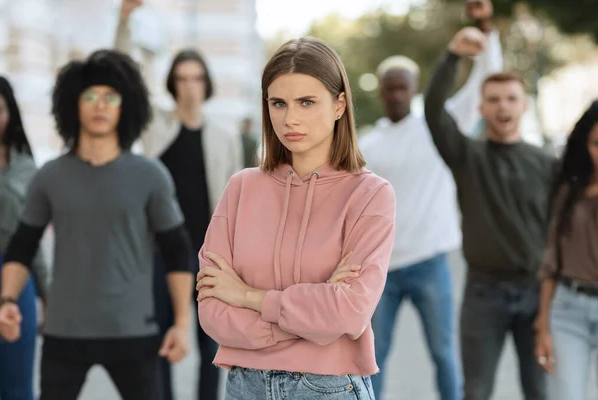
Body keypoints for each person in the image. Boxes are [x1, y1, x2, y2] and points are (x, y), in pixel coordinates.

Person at [195, 37, 396, 400]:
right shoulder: (241, 188)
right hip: (245, 386)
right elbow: (211, 309)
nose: (290, 119)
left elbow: (349, 312)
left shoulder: (370, 194)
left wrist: (246, 295)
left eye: (306, 102)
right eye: (278, 103)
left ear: (339, 105)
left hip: (328, 387)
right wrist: (309, 319)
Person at [0, 49, 194, 400]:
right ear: (73, 105)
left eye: (109, 97)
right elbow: (22, 246)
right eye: (89, 97)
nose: (99, 105)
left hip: (134, 331)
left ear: (125, 105)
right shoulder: (50, 176)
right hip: (65, 332)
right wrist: (8, 300)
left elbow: (178, 252)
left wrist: (182, 325)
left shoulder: (150, 176)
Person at [359, 2, 500, 398]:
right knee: (373, 355)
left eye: (403, 86)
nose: (396, 94)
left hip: (430, 262)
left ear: (415, 89)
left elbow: (483, 80)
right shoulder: (367, 143)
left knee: (443, 354)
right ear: (382, 91)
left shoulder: (437, 127)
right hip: (381, 270)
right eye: (390, 87)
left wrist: (484, 27)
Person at [115, 2, 243, 397]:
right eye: (182, 78)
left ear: (207, 83)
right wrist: (123, 22)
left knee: (210, 347)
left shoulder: (225, 138)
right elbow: (121, 80)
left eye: (197, 78)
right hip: (160, 254)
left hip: (208, 256)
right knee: (161, 346)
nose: (190, 86)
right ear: (173, 84)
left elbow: (237, 206)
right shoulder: (155, 127)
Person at [425, 26, 556, 400]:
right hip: (483, 294)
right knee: (477, 391)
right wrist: (452, 55)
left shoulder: (547, 164)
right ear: (482, 108)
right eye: (494, 99)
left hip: (536, 295)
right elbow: (434, 111)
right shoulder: (468, 157)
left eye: (511, 98)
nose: (502, 106)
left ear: (523, 105)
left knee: (539, 391)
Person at [534, 100, 598, 400]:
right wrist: (543, 324)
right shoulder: (568, 193)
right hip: (568, 310)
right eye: (597, 143)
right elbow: (551, 263)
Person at [0, 76, 49, 400]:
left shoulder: (26, 168)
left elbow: (34, 238)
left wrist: (49, 294)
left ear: (10, 113)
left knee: (18, 387)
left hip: (16, 278)